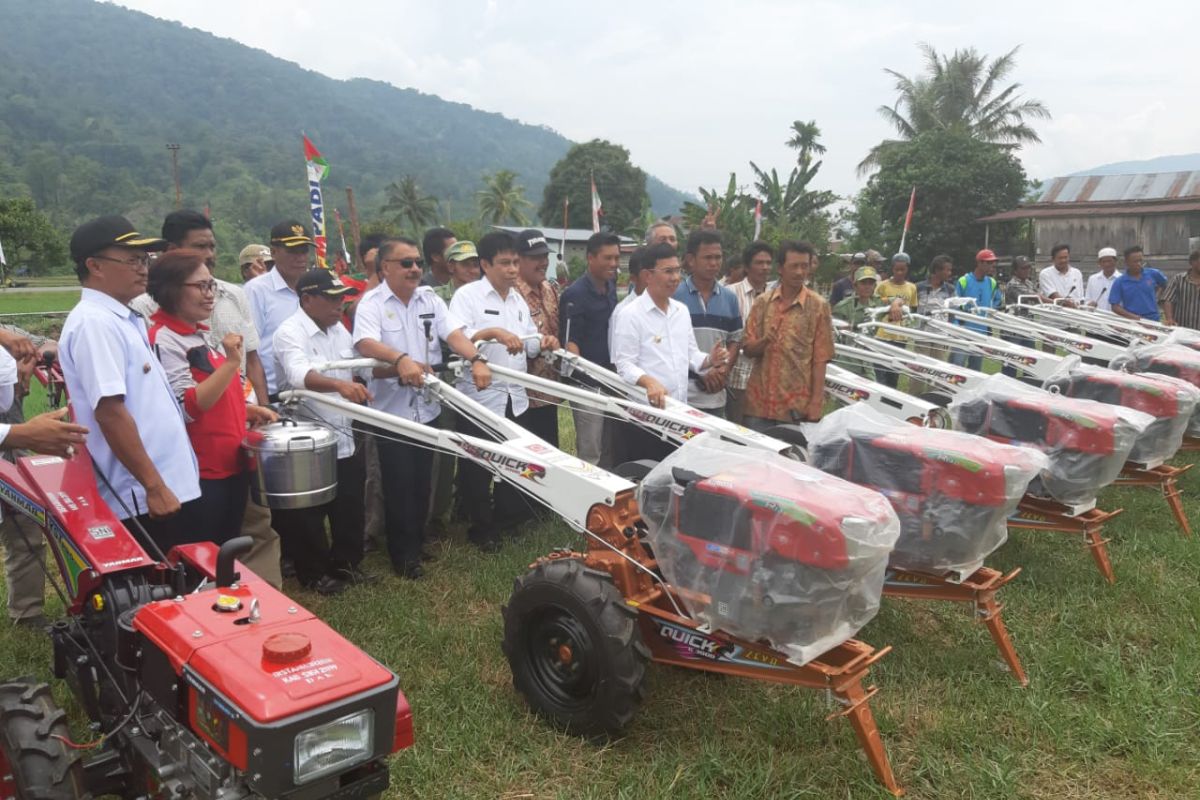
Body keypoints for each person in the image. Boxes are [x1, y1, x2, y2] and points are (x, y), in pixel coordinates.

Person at [352, 237, 492, 578]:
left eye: (416, 262)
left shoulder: (429, 300)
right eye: (405, 263)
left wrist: (476, 358)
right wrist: (400, 359)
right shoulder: (371, 304)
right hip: (392, 411)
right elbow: (364, 342)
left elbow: (454, 334)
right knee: (399, 482)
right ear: (385, 268)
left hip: (426, 408)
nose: (414, 268)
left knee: (422, 481)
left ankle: (416, 542)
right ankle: (403, 557)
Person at [59, 215, 201, 546]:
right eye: (132, 260)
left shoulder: (122, 318)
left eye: (145, 259)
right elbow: (110, 411)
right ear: (94, 266)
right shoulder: (95, 324)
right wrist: (153, 486)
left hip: (166, 485)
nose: (143, 268)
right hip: (141, 497)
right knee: (157, 590)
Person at [146, 249, 277, 549]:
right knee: (202, 555)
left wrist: (246, 410)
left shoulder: (197, 334)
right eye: (201, 286)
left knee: (225, 548)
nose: (210, 295)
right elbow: (187, 407)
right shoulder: (164, 338)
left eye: (212, 286)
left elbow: (216, 394)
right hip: (201, 473)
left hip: (230, 464)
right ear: (171, 289)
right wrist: (232, 362)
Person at [449, 231, 559, 551]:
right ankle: (480, 527)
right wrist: (492, 332)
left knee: (513, 458)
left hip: (515, 395)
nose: (512, 269)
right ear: (485, 264)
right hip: (480, 396)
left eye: (514, 263)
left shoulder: (517, 300)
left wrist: (544, 341)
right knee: (478, 464)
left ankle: (507, 520)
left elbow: (528, 341)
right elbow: (458, 338)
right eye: (504, 263)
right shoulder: (468, 297)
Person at [272, 269, 370, 594]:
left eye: (341, 297)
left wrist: (399, 365)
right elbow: (300, 375)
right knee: (308, 514)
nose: (339, 304)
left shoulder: (339, 330)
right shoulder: (289, 332)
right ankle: (313, 574)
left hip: (343, 433)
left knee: (350, 504)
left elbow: (361, 365)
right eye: (331, 298)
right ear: (307, 300)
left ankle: (346, 564)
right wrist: (340, 385)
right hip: (308, 439)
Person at [0, 331, 89, 631]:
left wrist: (28, 357)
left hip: (12, 440)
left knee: (25, 522)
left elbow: (43, 345)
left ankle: (27, 613)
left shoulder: (8, 335)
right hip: (14, 435)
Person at [611, 243, 726, 460]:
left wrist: (711, 359)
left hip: (679, 415)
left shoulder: (680, 311)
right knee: (646, 475)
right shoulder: (630, 314)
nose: (675, 278)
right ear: (647, 275)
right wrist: (648, 382)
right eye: (668, 271)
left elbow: (691, 355)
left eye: (678, 271)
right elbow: (624, 365)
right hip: (645, 418)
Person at [741, 240, 834, 430]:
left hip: (796, 408)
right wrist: (765, 341)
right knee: (754, 458)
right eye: (794, 266)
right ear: (781, 269)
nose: (800, 272)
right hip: (759, 406)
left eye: (804, 266)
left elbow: (820, 359)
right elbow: (748, 349)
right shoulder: (762, 303)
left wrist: (816, 402)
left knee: (792, 458)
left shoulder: (818, 306)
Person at [559, 232, 619, 465]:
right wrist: (582, 374)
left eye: (616, 258)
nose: (613, 264)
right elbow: (570, 341)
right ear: (590, 258)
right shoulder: (575, 294)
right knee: (590, 450)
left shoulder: (611, 286)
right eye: (607, 258)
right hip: (587, 384)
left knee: (610, 447)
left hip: (612, 380)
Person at [675, 229, 740, 416]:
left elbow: (735, 339)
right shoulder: (674, 296)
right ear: (691, 259)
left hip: (716, 396)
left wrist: (723, 371)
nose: (714, 263)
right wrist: (702, 372)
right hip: (682, 396)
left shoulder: (730, 298)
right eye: (707, 257)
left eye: (718, 257)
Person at [245, 221, 312, 400]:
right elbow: (249, 351)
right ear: (274, 252)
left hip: (312, 391)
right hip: (274, 394)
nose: (300, 258)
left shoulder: (313, 289)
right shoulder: (256, 290)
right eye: (292, 251)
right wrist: (263, 401)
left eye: (304, 251)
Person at [514, 229, 561, 449]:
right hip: (523, 396)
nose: (543, 262)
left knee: (551, 453)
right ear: (518, 259)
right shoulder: (511, 294)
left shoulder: (549, 289)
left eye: (545, 256)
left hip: (549, 390)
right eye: (535, 258)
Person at [726, 241, 774, 423]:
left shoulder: (777, 295)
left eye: (768, 263)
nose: (765, 267)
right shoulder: (730, 294)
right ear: (746, 266)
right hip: (738, 378)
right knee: (738, 433)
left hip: (768, 380)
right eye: (759, 263)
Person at [953, 249, 1003, 371]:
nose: (993, 266)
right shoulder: (963, 281)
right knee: (957, 366)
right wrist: (956, 326)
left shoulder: (992, 282)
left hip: (981, 332)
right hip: (963, 331)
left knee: (975, 368)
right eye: (989, 263)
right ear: (980, 263)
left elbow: (998, 301)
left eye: (993, 263)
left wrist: (990, 315)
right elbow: (954, 305)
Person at [1109, 245, 1167, 321]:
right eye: (1135, 261)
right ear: (1126, 262)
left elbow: (1165, 285)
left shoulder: (1153, 274)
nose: (1139, 264)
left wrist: (1158, 296)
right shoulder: (1120, 282)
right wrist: (1133, 317)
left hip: (1154, 319)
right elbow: (1115, 307)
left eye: (1140, 260)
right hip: (1132, 322)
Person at [1163, 250, 1200, 330]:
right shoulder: (1178, 279)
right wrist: (1169, 318)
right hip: (1181, 329)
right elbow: (1168, 300)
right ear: (1192, 262)